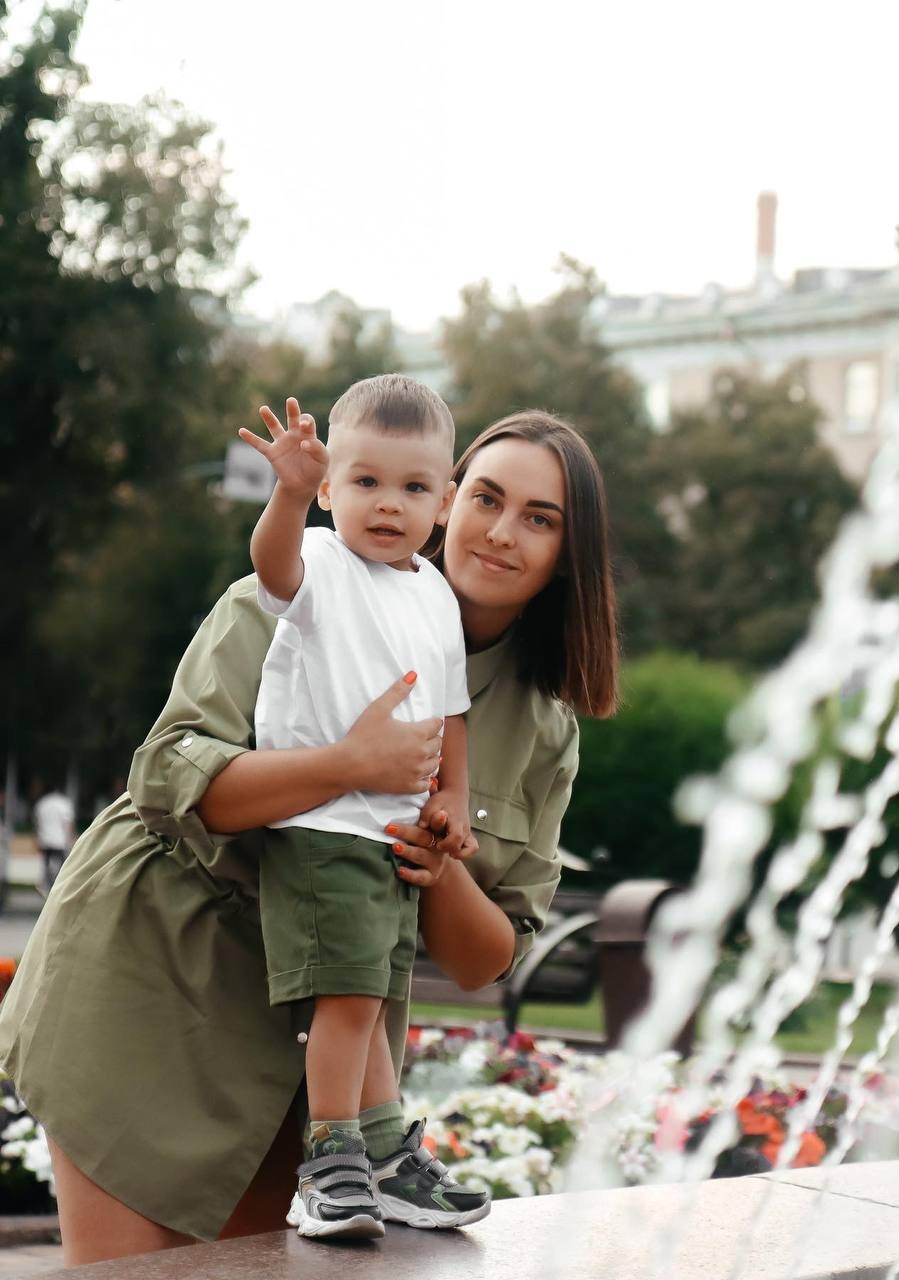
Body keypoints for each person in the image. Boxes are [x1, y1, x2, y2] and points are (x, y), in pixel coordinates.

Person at [0, 407, 619, 1265]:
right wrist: (347, 764)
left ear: (567, 555)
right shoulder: (305, 592)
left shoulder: (545, 730)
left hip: (312, 1055)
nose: (503, 533)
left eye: (540, 518)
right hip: (157, 979)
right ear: (454, 502)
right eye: (489, 498)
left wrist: (438, 866)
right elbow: (166, 779)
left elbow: (485, 959)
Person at [238, 376, 485, 1239]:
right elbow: (273, 565)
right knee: (346, 1001)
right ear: (334, 487)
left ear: (444, 502)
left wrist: (453, 797)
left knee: (373, 999)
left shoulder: (434, 596)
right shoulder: (324, 566)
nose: (389, 505)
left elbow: (450, 713)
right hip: (321, 824)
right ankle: (331, 1161)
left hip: (391, 835)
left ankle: (384, 1162)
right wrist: (289, 493)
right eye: (366, 482)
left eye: (414, 488)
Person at [32, 785, 74, 893]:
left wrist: (36, 839)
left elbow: (38, 823)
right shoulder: (64, 803)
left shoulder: (42, 803)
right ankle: (58, 886)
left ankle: (44, 885)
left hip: (45, 839)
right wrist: (71, 838)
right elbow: (68, 823)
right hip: (59, 840)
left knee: (46, 864)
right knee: (61, 864)